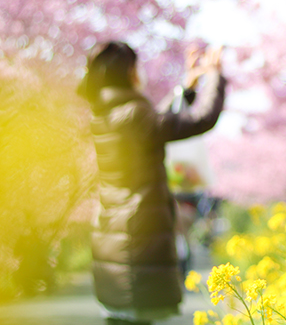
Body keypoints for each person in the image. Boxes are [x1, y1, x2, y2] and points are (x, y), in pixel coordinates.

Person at [78, 41, 226, 325]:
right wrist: (215, 75)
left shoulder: (108, 114)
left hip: (115, 234)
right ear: (131, 73)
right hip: (138, 240)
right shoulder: (134, 115)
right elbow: (200, 119)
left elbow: (155, 122)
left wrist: (187, 88)